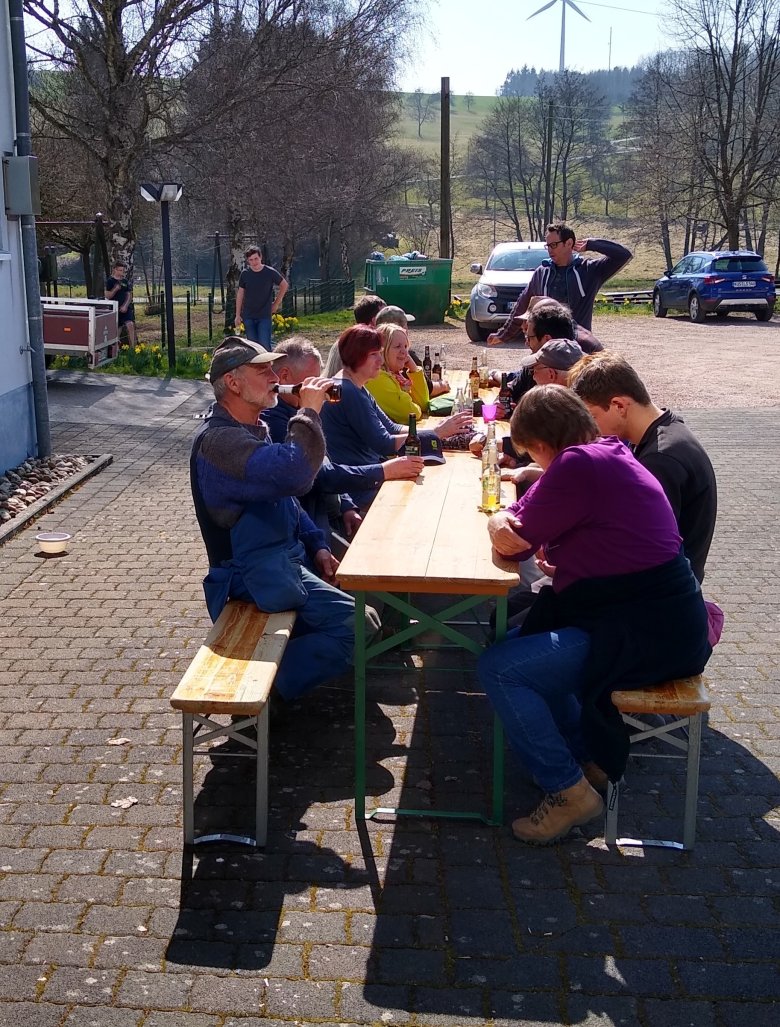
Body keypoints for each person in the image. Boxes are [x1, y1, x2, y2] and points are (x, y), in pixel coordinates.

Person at [479, 384, 711, 844]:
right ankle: (587, 758)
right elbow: (526, 512)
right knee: (517, 643)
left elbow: (517, 539)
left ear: (543, 444)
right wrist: (511, 521)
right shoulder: (608, 451)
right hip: (658, 620)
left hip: (649, 632)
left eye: (533, 454)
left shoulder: (578, 464)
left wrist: (496, 521)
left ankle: (567, 791)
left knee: (501, 669)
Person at [190, 335, 379, 700]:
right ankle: (265, 692)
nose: (275, 377)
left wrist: (317, 544)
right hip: (249, 577)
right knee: (358, 625)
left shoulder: (250, 428)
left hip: (278, 565)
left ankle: (274, 681)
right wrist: (308, 413)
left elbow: (285, 498)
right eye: (263, 370)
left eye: (274, 369)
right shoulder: (220, 443)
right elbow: (294, 475)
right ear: (233, 383)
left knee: (365, 609)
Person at [569, 353, 717, 583]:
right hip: (666, 582)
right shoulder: (665, 432)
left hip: (661, 591)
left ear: (619, 405)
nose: (591, 428)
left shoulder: (660, 460)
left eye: (593, 416)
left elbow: (643, 546)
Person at [262, 335, 425, 541]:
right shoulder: (275, 419)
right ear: (284, 376)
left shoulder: (301, 406)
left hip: (328, 513)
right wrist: (384, 471)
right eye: (312, 381)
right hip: (306, 529)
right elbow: (320, 475)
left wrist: (347, 506)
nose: (319, 388)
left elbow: (325, 458)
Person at [320, 326, 470, 509]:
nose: (381, 360)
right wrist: (437, 433)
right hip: (359, 491)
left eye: (380, 353)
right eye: (374, 354)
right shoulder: (348, 390)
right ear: (356, 356)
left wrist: (435, 431)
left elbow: (392, 428)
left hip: (367, 479)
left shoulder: (355, 385)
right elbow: (384, 442)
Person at [487, 222, 631, 344]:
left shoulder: (589, 270)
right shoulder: (542, 272)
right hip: (546, 347)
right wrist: (503, 334)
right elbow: (522, 304)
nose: (550, 250)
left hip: (578, 347)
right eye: (548, 246)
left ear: (569, 243)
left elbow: (623, 255)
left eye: (554, 245)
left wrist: (592, 244)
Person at [366, 323, 430, 422]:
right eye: (397, 346)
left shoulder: (395, 375)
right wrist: (416, 406)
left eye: (405, 346)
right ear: (382, 351)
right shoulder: (378, 378)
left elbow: (424, 404)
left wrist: (414, 370)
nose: (404, 352)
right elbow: (412, 414)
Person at [234, 246, 289, 351]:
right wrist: (237, 315)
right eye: (251, 260)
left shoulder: (269, 272)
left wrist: (276, 303)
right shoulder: (245, 274)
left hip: (264, 315)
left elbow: (284, 285)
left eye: (256, 259)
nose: (254, 262)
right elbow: (240, 294)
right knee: (252, 347)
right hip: (248, 315)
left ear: (260, 257)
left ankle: (269, 361)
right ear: (248, 261)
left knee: (264, 345)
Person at [105, 262, 136, 346]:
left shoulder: (125, 281)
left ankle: (133, 348)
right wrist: (115, 289)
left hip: (125, 307)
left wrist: (125, 305)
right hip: (114, 308)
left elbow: (129, 294)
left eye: (123, 270)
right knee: (117, 329)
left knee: (130, 324)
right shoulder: (110, 281)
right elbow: (107, 296)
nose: (122, 272)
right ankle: (116, 349)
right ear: (115, 270)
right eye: (120, 270)